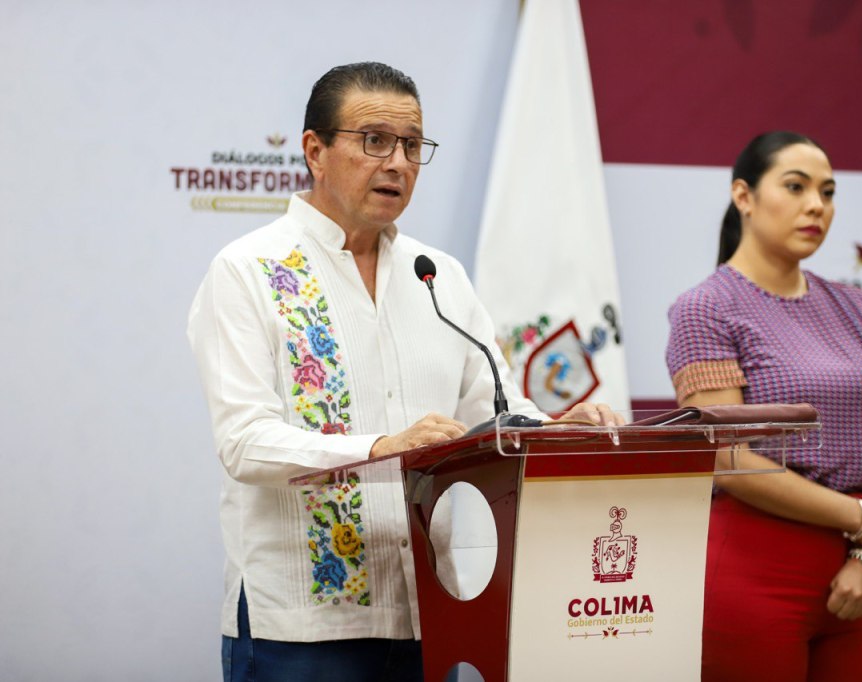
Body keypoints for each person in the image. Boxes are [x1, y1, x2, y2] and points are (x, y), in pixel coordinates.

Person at [188, 62, 620, 682]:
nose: (397, 162)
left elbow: (494, 413)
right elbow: (245, 442)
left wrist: (555, 429)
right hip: (303, 628)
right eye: (375, 141)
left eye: (412, 146)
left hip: (430, 613)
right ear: (314, 150)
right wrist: (381, 448)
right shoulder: (248, 270)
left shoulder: (437, 276)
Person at [664, 131, 862, 681]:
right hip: (755, 570)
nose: (816, 205)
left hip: (859, 577)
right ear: (744, 196)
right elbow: (728, 459)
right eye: (796, 187)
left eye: (828, 192)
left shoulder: (855, 305)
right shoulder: (704, 307)